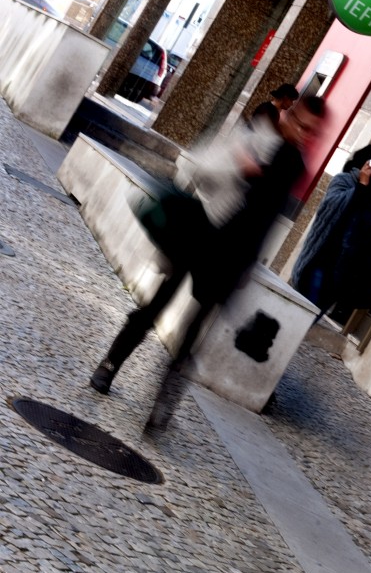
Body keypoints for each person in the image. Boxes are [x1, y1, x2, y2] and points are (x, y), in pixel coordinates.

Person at [89, 95, 328, 431]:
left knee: (194, 329)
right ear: (288, 115)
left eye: (311, 131)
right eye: (301, 124)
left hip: (232, 253)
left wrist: (249, 264)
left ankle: (162, 407)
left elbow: (267, 220)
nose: (304, 134)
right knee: (156, 304)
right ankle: (110, 364)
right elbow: (203, 168)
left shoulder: (295, 166)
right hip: (201, 230)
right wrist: (240, 166)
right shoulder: (258, 136)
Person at [290, 144, 371, 321]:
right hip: (319, 263)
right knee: (298, 315)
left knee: (309, 320)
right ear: (370, 165)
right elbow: (331, 209)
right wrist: (361, 187)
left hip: (341, 275)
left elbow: (364, 243)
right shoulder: (344, 181)